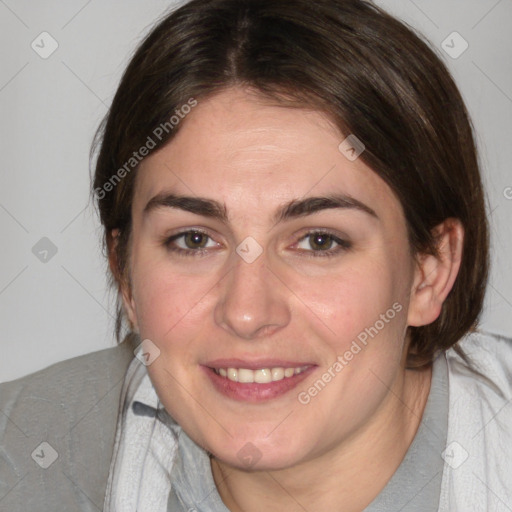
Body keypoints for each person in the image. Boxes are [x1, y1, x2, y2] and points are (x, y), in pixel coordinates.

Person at [1, 0, 511, 510]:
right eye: (194, 240)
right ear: (126, 274)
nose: (246, 313)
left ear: (430, 272)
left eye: (319, 241)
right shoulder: (21, 460)